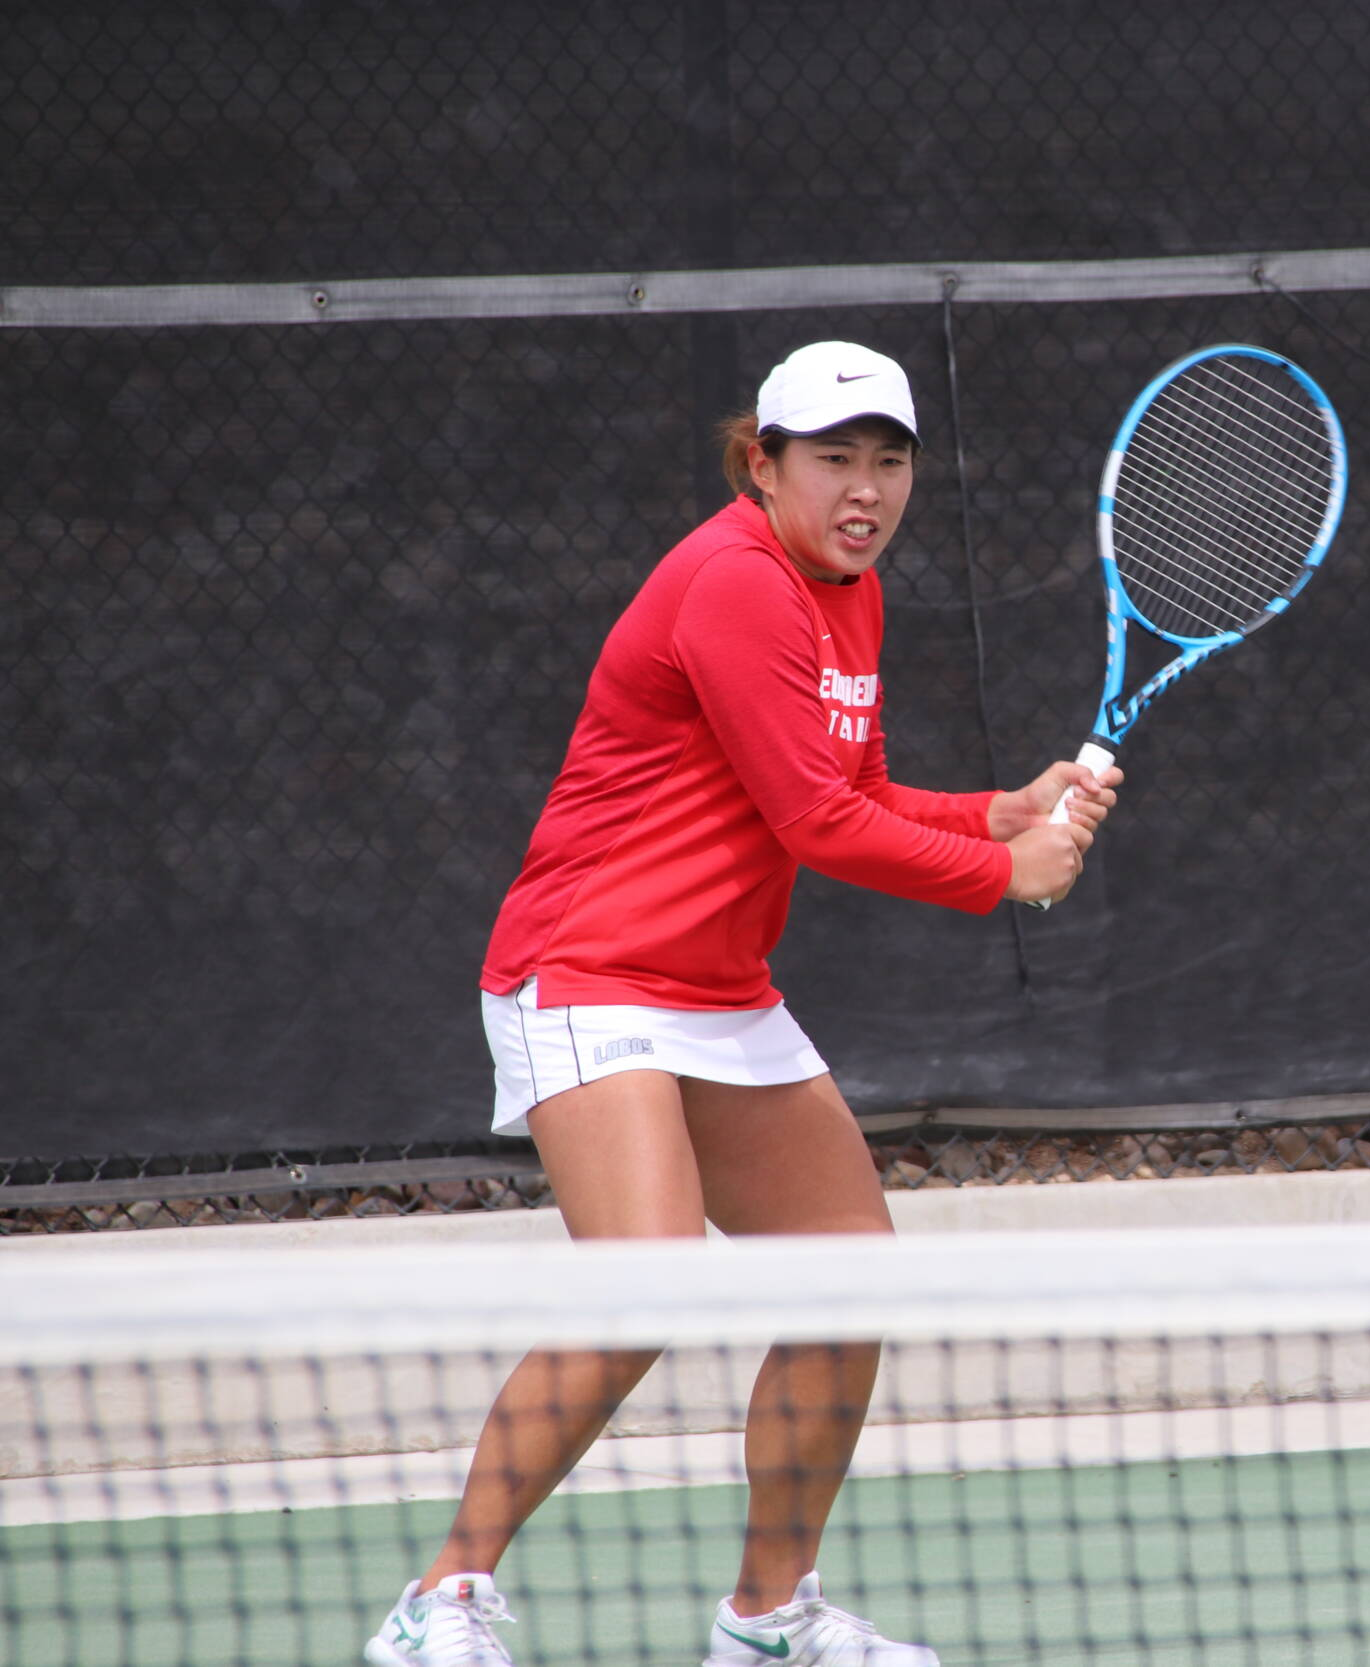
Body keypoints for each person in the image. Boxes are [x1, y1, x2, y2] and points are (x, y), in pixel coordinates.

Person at [365, 341, 1118, 1667]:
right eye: (833, 459)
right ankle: (442, 1599)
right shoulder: (733, 582)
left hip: (717, 985)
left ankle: (768, 1619)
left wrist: (990, 811)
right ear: (759, 463)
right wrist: (1008, 874)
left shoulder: (853, 593)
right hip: (587, 965)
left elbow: (865, 788)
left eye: (889, 462)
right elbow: (817, 822)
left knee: (845, 1275)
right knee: (646, 1280)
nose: (865, 489)